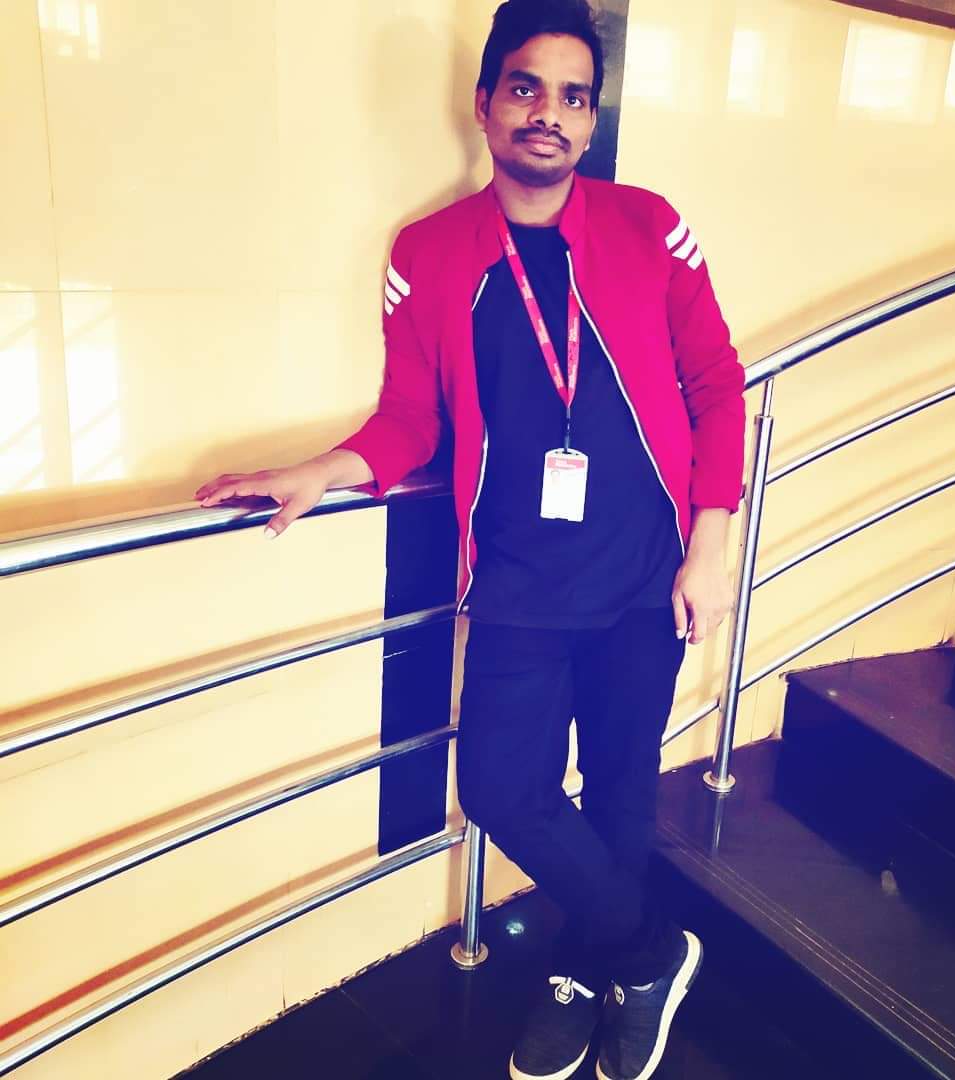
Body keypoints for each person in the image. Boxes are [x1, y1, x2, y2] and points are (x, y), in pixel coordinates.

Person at [195, 1, 746, 1076]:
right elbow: (412, 417)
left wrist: (712, 539)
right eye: (527, 88)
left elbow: (716, 383)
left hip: (646, 573)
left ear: (591, 119)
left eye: (574, 96)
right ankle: (649, 953)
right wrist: (322, 469)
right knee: (500, 788)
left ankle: (584, 972)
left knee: (622, 787)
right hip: (517, 585)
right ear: (486, 102)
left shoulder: (649, 227)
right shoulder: (430, 252)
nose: (550, 114)